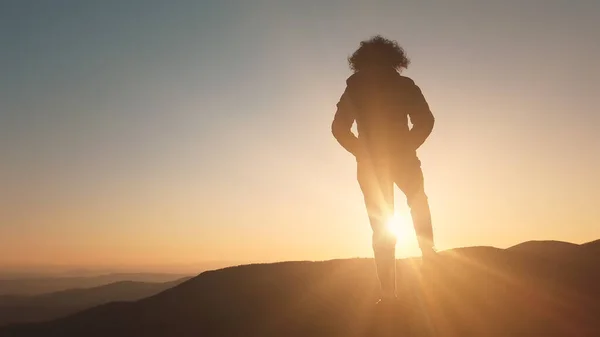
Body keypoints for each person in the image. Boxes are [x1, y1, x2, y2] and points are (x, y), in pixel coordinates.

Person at [331, 35, 436, 302]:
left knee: (384, 222)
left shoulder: (357, 88)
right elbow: (425, 121)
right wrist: (405, 146)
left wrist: (364, 152)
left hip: (377, 164)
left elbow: (339, 129)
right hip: (393, 161)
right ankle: (425, 262)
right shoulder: (399, 85)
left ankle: (390, 293)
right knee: (413, 205)